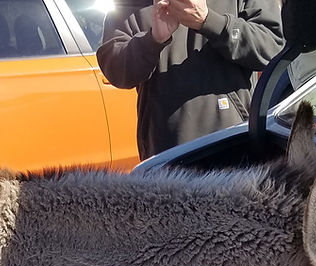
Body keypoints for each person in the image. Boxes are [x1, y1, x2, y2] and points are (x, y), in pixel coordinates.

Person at [97, 0, 284, 160]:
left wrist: (209, 21)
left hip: (234, 145)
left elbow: (270, 48)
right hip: (165, 153)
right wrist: (152, 40)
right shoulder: (129, 6)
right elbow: (117, 72)